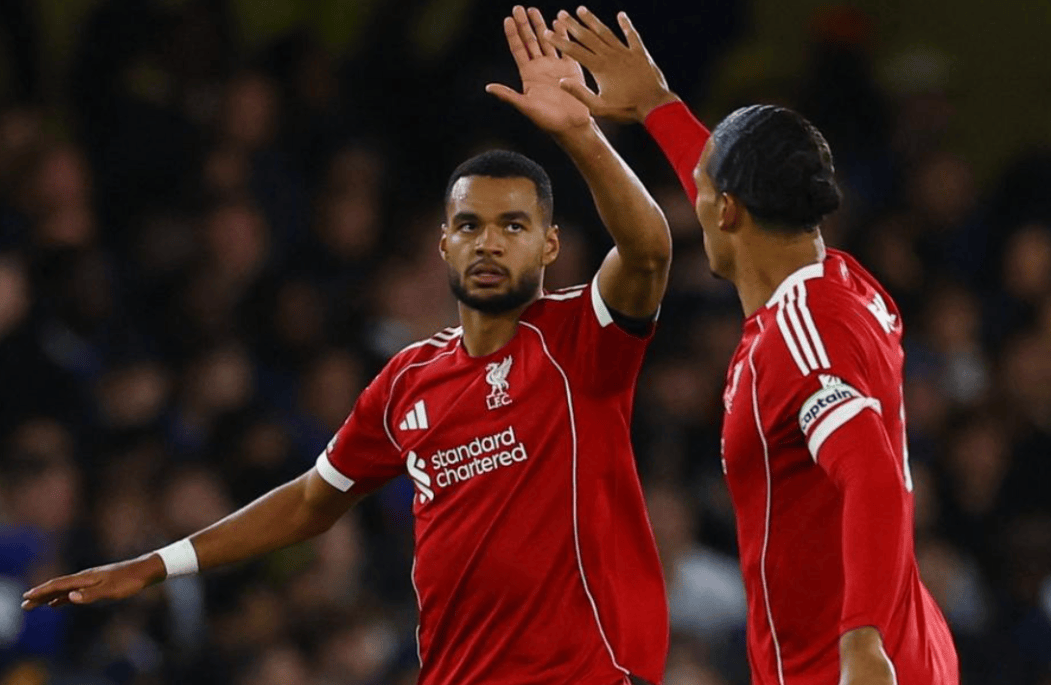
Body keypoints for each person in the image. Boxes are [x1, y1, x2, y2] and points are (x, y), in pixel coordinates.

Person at [22, 8, 671, 685]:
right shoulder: (408, 380)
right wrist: (155, 564)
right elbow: (311, 500)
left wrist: (578, 133)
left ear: (550, 245)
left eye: (513, 225)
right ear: (443, 245)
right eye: (469, 225)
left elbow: (649, 252)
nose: (488, 242)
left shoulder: (580, 337)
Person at [542, 6, 961, 685]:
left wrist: (862, 647)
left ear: (727, 210)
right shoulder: (844, 284)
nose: (695, 197)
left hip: (844, 669)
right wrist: (655, 103)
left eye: (703, 192)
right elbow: (723, 180)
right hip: (909, 648)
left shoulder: (797, 337)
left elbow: (874, 476)